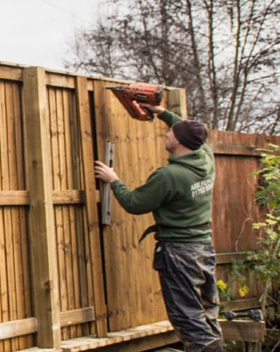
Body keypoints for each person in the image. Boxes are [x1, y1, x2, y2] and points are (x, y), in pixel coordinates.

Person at [94, 103, 224, 352]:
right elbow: (185, 128)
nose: (167, 133)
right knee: (207, 312)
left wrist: (114, 180)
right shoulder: (205, 157)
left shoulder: (169, 176)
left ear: (181, 142)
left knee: (186, 316)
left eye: (172, 133)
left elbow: (134, 203)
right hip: (203, 247)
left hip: (179, 253)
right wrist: (161, 111)